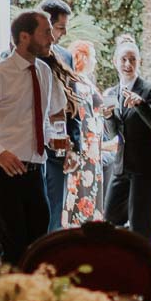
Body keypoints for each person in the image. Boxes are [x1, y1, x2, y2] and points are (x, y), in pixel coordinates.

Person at [0, 9, 66, 265]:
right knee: (13, 249)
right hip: (3, 171)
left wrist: (57, 138)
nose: (52, 38)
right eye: (46, 32)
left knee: (39, 247)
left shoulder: (43, 71)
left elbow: (53, 114)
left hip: (36, 171)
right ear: (24, 36)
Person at [101, 35, 151, 244]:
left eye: (132, 60)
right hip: (121, 166)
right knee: (110, 218)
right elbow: (112, 134)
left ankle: (144, 271)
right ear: (115, 62)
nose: (128, 64)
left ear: (139, 62)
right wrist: (108, 116)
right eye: (123, 59)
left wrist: (140, 104)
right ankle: (118, 262)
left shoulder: (149, 89)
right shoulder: (111, 92)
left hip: (144, 166)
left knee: (141, 225)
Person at [39, 0, 79, 232]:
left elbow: (72, 103)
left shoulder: (65, 56)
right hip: (28, 146)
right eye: (60, 27)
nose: (64, 33)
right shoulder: (21, 56)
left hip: (58, 145)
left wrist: (74, 146)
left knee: (55, 213)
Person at [66, 39, 104, 224]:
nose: (95, 61)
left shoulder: (85, 80)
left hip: (93, 146)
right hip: (85, 145)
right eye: (93, 56)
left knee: (91, 188)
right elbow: (82, 116)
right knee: (82, 189)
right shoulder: (75, 82)